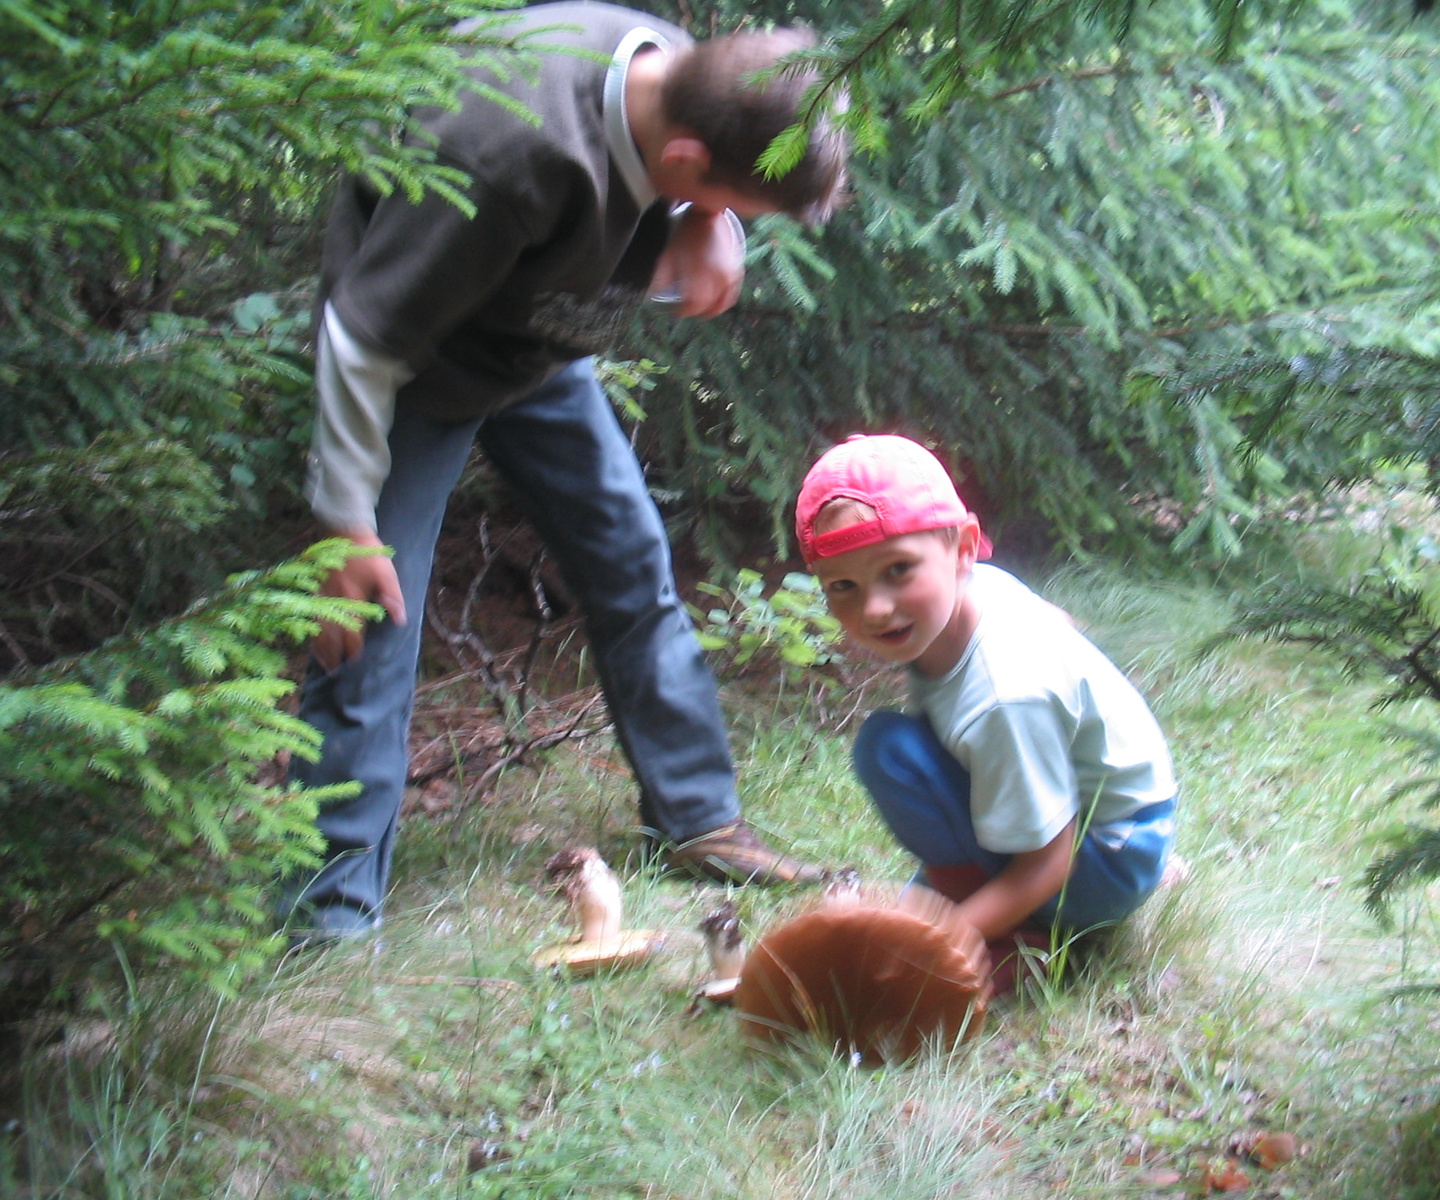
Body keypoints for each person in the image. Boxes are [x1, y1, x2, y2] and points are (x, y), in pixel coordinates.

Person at [284, 2, 851, 943]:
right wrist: (344, 521)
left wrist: (714, 223)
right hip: (414, 361)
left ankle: (695, 818)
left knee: (627, 551)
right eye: (734, 203)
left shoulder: (683, 77)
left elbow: (691, 179)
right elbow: (360, 335)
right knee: (370, 613)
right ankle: (327, 914)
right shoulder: (506, 154)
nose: (735, 223)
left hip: (529, 342)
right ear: (682, 162)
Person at [794, 434, 1179, 990]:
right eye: (844, 586)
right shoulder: (979, 589)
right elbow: (1059, 624)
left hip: (1095, 859)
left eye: (898, 569)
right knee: (897, 744)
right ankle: (1012, 896)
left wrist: (940, 937)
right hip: (1127, 825)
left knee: (891, 754)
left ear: (963, 547)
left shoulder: (1005, 695)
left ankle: (1025, 940)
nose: (874, 608)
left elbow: (1051, 861)